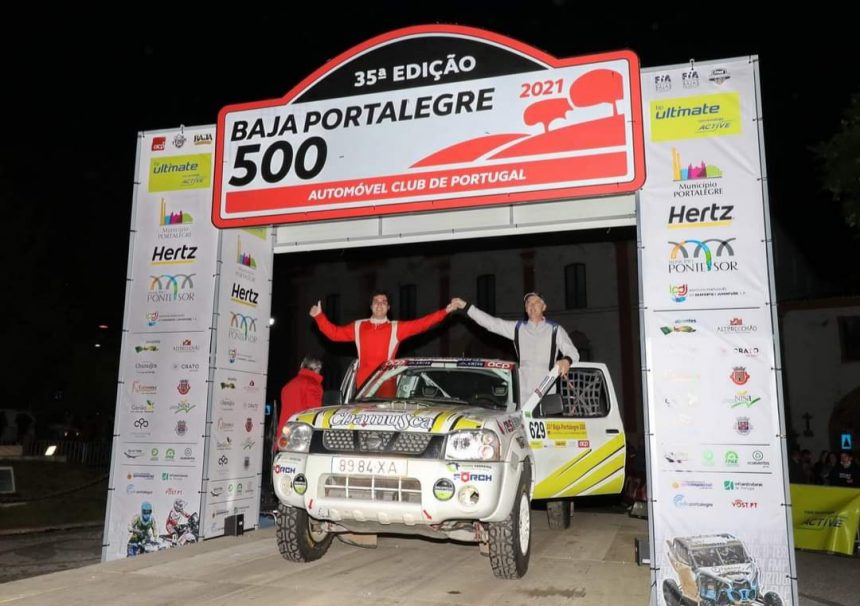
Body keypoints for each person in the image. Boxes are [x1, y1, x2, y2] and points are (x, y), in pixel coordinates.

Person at [310, 291, 459, 388]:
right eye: (376, 301)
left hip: (385, 385)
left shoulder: (396, 327)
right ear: (371, 306)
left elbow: (423, 324)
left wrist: (446, 311)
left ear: (388, 307)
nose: (380, 304)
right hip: (363, 387)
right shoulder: (358, 326)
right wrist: (319, 316)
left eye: (383, 302)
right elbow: (334, 334)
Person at [451, 292, 579, 403]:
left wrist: (566, 360)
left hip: (547, 390)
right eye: (528, 303)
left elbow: (573, 352)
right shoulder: (517, 328)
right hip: (522, 392)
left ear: (544, 307)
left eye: (536, 302)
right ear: (525, 308)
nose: (532, 305)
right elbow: (491, 323)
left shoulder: (555, 329)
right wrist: (466, 307)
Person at [277, 356, 324, 437]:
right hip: (301, 433)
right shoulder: (313, 385)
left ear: (302, 366)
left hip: (285, 431)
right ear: (317, 369)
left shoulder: (288, 385)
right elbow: (314, 412)